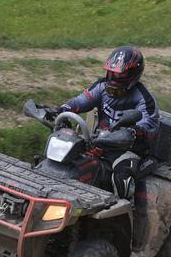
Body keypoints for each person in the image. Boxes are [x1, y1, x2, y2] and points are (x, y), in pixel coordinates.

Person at [50, 46, 159, 199]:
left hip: (127, 150)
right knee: (64, 159)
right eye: (112, 72)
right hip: (97, 142)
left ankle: (127, 210)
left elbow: (149, 127)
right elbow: (80, 102)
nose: (114, 78)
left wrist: (132, 132)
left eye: (121, 74)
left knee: (122, 177)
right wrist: (60, 110)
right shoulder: (101, 87)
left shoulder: (143, 98)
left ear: (134, 74)